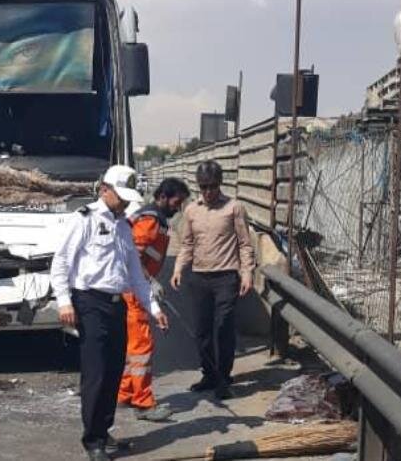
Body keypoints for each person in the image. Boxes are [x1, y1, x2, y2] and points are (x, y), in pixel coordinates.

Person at [50, 164, 170, 461]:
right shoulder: (84, 220)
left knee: (115, 371)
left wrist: (153, 307)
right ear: (105, 189)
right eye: (122, 196)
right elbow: (61, 262)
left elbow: (135, 274)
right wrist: (64, 301)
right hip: (90, 302)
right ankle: (92, 441)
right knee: (96, 373)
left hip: (118, 304)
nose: (127, 203)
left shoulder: (123, 225)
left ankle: (104, 432)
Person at [170, 160, 255, 401]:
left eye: (213, 187)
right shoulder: (191, 211)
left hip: (226, 277)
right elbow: (187, 243)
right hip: (199, 278)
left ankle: (224, 378)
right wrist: (178, 269)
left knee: (223, 328)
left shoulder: (234, 208)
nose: (208, 192)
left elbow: (244, 243)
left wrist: (247, 272)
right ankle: (209, 374)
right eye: (204, 187)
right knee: (202, 331)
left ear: (220, 184)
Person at [118, 177, 190, 422]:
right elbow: (132, 258)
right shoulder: (149, 220)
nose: (177, 208)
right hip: (133, 291)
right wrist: (150, 280)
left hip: (134, 289)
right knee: (142, 347)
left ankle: (126, 393)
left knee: (134, 348)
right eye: (176, 202)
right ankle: (143, 403)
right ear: (162, 197)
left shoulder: (154, 219)